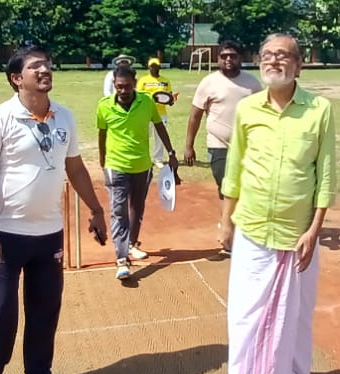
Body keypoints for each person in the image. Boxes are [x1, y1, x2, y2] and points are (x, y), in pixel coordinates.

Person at [216, 33, 336, 374]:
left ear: (299, 65)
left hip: (298, 235)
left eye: (283, 56)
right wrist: (225, 220)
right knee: (246, 319)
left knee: (296, 321)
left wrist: (315, 230)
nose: (274, 61)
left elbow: (326, 175)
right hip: (252, 227)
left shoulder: (320, 110)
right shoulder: (247, 108)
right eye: (267, 55)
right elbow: (234, 168)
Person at [0, 46, 109, 374]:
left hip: (49, 234)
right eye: (35, 67)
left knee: (45, 308)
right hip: (5, 235)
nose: (45, 69)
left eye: (47, 64)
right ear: (17, 79)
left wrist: (96, 210)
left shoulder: (63, 117)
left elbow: (75, 168)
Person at [97, 63, 181, 280]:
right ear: (114, 85)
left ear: (134, 83)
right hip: (116, 167)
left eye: (126, 86)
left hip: (143, 166)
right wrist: (102, 158)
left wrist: (171, 152)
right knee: (118, 212)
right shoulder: (104, 106)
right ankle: (122, 259)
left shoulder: (146, 102)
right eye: (118, 87)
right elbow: (102, 134)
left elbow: (159, 127)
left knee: (137, 208)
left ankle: (132, 243)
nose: (123, 91)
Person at [183, 40, 262, 202]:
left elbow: (262, 114)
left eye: (233, 56)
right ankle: (228, 225)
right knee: (225, 187)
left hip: (247, 146)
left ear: (240, 58)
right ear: (217, 59)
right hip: (218, 145)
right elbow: (195, 116)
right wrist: (189, 147)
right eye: (224, 56)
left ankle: (240, 225)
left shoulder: (252, 83)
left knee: (246, 188)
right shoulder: (209, 82)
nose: (228, 59)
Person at [138, 57, 177, 164]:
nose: (154, 68)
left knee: (160, 137)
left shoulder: (165, 81)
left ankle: (158, 159)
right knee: (144, 136)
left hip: (161, 113)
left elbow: (170, 96)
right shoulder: (143, 81)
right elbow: (138, 96)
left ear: (159, 66)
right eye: (152, 66)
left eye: (156, 66)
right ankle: (143, 158)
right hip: (146, 113)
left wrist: (170, 100)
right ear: (149, 67)